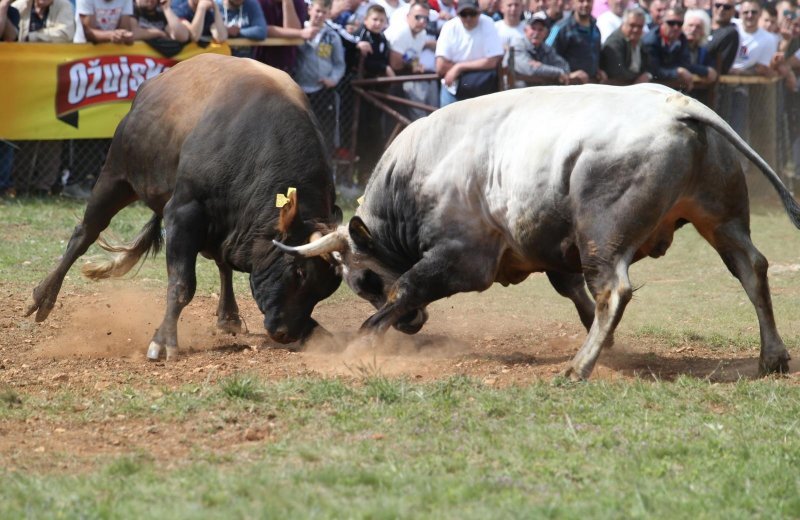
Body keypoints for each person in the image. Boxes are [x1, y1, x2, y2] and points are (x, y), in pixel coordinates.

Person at [293, 0, 345, 154]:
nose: (320, 15)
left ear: (329, 14)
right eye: (317, 10)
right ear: (310, 9)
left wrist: (333, 79)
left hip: (322, 91)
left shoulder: (332, 36)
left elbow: (339, 63)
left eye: (324, 12)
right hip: (299, 89)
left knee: (324, 131)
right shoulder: (298, 30)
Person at [435, 0, 504, 106]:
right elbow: (440, 66)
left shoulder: (488, 23)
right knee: (449, 122)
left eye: (472, 13)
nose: (468, 18)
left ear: (479, 12)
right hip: (453, 89)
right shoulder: (449, 27)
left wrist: (459, 67)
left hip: (482, 89)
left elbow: (493, 61)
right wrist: (478, 65)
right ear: (458, 14)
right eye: (464, 14)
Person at [386, 1, 438, 119]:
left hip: (399, 78)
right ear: (408, 17)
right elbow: (395, 64)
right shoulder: (401, 32)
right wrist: (413, 65)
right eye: (418, 17)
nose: (422, 22)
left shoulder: (422, 34)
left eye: (425, 19)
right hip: (383, 80)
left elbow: (411, 57)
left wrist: (416, 65)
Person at [643, 7, 716, 91]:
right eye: (671, 23)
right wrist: (677, 72)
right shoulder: (651, 41)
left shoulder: (681, 38)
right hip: (651, 89)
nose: (676, 27)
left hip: (670, 89)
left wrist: (705, 71)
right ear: (662, 22)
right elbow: (654, 71)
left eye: (679, 24)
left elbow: (685, 64)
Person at [547, 0, 606, 83]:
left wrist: (598, 70)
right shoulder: (560, 28)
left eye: (589, 1)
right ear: (573, 3)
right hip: (567, 87)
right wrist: (568, 74)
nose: (585, 4)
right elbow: (547, 55)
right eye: (581, 1)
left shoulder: (595, 29)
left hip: (591, 87)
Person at [508, 13, 569, 85]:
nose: (536, 33)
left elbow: (565, 67)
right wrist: (558, 72)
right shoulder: (517, 45)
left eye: (540, 29)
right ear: (525, 30)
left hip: (541, 91)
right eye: (533, 28)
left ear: (546, 33)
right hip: (516, 92)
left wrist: (541, 66)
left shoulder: (546, 48)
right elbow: (530, 70)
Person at [253, 0, 311, 74]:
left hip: (287, 66)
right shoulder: (258, 2)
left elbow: (293, 31)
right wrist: (300, 33)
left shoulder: (298, 2)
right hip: (260, 63)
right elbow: (262, 29)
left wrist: (287, 2)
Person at [600, 6, 651, 84]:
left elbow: (648, 66)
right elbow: (618, 72)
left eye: (640, 26)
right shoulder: (614, 42)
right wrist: (639, 77)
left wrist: (646, 75)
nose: (636, 30)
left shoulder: (640, 42)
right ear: (623, 24)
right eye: (632, 25)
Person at [705, 0, 738, 74]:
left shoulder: (730, 33)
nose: (721, 9)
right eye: (718, 5)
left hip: (709, 79)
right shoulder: (701, 24)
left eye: (727, 7)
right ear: (712, 6)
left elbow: (722, 67)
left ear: (733, 11)